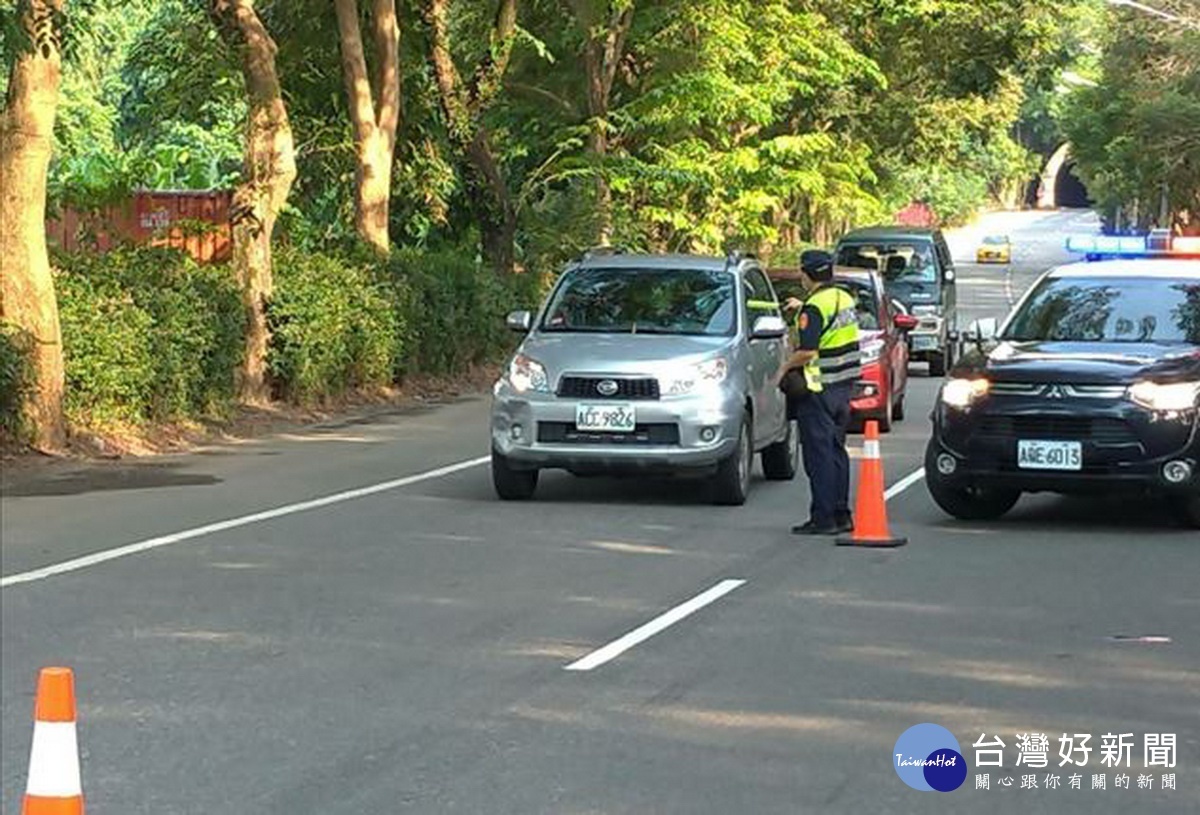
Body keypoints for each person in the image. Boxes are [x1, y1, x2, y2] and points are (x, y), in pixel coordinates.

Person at [778, 249, 862, 535]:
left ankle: (822, 518)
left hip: (818, 388)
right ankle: (841, 514)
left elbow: (808, 351)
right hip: (844, 386)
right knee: (837, 451)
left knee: (818, 456)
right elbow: (830, 324)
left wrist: (783, 368)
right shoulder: (843, 298)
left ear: (807, 274)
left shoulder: (813, 308)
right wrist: (802, 307)